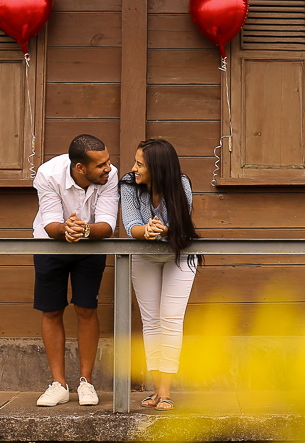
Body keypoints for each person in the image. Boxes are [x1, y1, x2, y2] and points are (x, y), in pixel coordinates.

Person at [32, 134, 117, 407]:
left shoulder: (110, 176)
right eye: (101, 165)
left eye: (108, 161)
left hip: (91, 246)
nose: (108, 168)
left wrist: (84, 230)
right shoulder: (47, 174)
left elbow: (108, 224)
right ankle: (58, 385)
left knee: (86, 309)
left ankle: (85, 383)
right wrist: (65, 229)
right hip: (50, 246)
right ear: (80, 168)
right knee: (51, 310)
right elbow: (50, 224)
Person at [120, 138, 201, 412]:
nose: (133, 169)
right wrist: (145, 231)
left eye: (140, 164)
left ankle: (165, 392)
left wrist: (164, 230)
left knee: (170, 319)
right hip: (145, 256)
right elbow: (130, 223)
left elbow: (182, 224)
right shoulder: (129, 185)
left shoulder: (181, 184)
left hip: (179, 256)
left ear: (158, 167)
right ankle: (156, 390)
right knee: (151, 322)